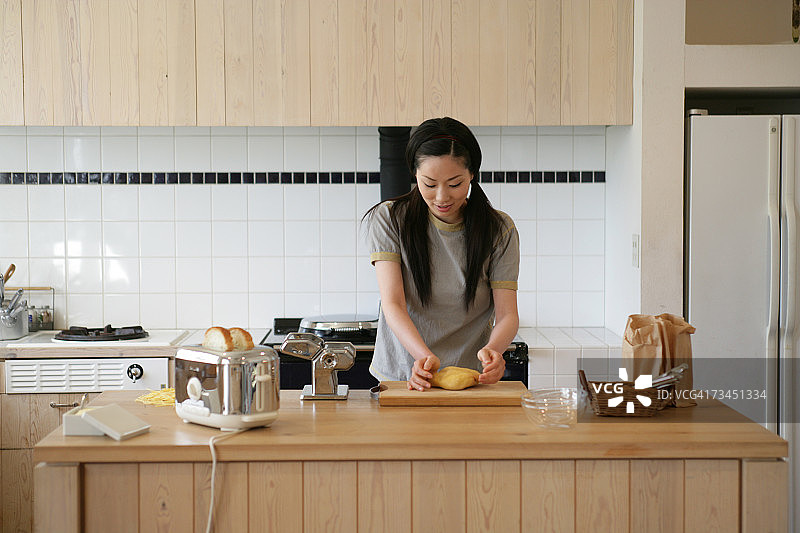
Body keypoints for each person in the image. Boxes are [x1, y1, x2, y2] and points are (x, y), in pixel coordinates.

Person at [364, 117, 520, 391]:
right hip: (403, 375)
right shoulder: (389, 219)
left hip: (468, 379)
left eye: (455, 183)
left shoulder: (499, 229)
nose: (441, 197)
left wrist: (494, 350)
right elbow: (393, 304)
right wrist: (424, 358)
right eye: (430, 184)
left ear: (472, 173)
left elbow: (507, 315)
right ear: (414, 174)